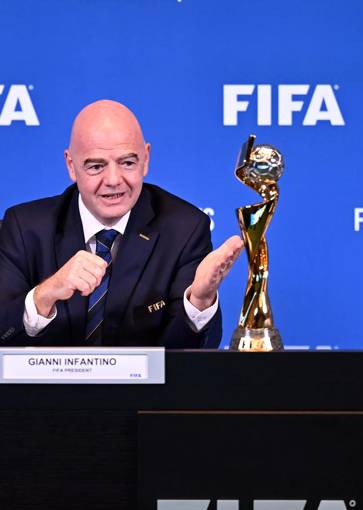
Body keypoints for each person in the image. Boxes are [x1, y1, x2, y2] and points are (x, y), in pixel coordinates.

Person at [0, 100, 244, 347]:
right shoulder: (24, 228)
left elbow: (187, 360)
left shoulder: (185, 228)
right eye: (96, 166)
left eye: (127, 163)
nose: (114, 180)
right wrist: (45, 294)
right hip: (46, 387)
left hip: (146, 388)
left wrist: (199, 301)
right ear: (71, 166)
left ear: (146, 159)